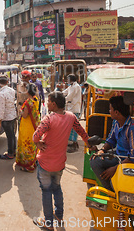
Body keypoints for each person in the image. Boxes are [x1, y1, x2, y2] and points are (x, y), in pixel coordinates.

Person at [32, 91, 91, 230]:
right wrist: (90, 143)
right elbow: (82, 132)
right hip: (59, 163)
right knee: (57, 188)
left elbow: (36, 135)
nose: (47, 103)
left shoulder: (48, 119)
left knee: (46, 191)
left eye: (49, 101)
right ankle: (58, 216)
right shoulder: (71, 117)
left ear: (53, 103)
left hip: (45, 163)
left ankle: (48, 223)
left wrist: (38, 143)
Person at [90, 96, 134, 191]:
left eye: (110, 109)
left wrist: (116, 169)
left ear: (117, 112)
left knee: (115, 181)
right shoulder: (116, 123)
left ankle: (115, 189)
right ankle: (111, 192)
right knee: (95, 160)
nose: (109, 111)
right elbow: (111, 139)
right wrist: (102, 150)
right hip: (120, 158)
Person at [16, 83, 40, 172]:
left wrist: (20, 111)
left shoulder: (28, 102)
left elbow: (25, 115)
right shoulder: (35, 99)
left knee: (26, 145)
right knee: (32, 144)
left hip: (27, 126)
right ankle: (34, 161)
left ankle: (29, 166)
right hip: (33, 126)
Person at [0, 75, 17, 160]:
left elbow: (1, 109)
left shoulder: (1, 94)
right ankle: (13, 151)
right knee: (12, 135)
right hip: (12, 115)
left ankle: (10, 153)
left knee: (10, 136)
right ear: (7, 82)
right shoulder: (12, 90)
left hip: (7, 118)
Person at [62, 74, 82, 153]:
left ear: (71, 79)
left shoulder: (76, 87)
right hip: (70, 108)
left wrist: (61, 99)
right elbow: (64, 92)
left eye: (68, 79)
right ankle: (73, 142)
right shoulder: (71, 87)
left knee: (74, 127)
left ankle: (75, 144)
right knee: (70, 126)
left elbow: (69, 97)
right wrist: (56, 94)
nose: (67, 80)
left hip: (74, 109)